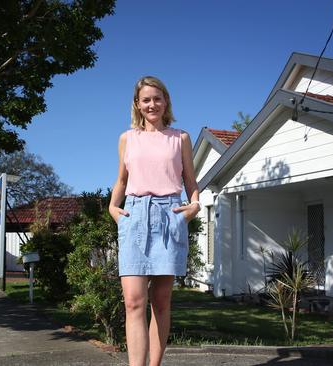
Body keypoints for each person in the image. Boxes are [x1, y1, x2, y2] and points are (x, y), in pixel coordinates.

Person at [108, 76, 200, 366]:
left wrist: (193, 207)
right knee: (133, 302)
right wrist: (113, 207)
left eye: (157, 98)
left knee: (160, 302)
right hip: (135, 216)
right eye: (146, 99)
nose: (152, 104)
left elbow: (190, 182)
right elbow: (122, 180)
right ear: (137, 104)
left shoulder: (180, 138)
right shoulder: (127, 138)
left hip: (169, 216)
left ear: (166, 102)